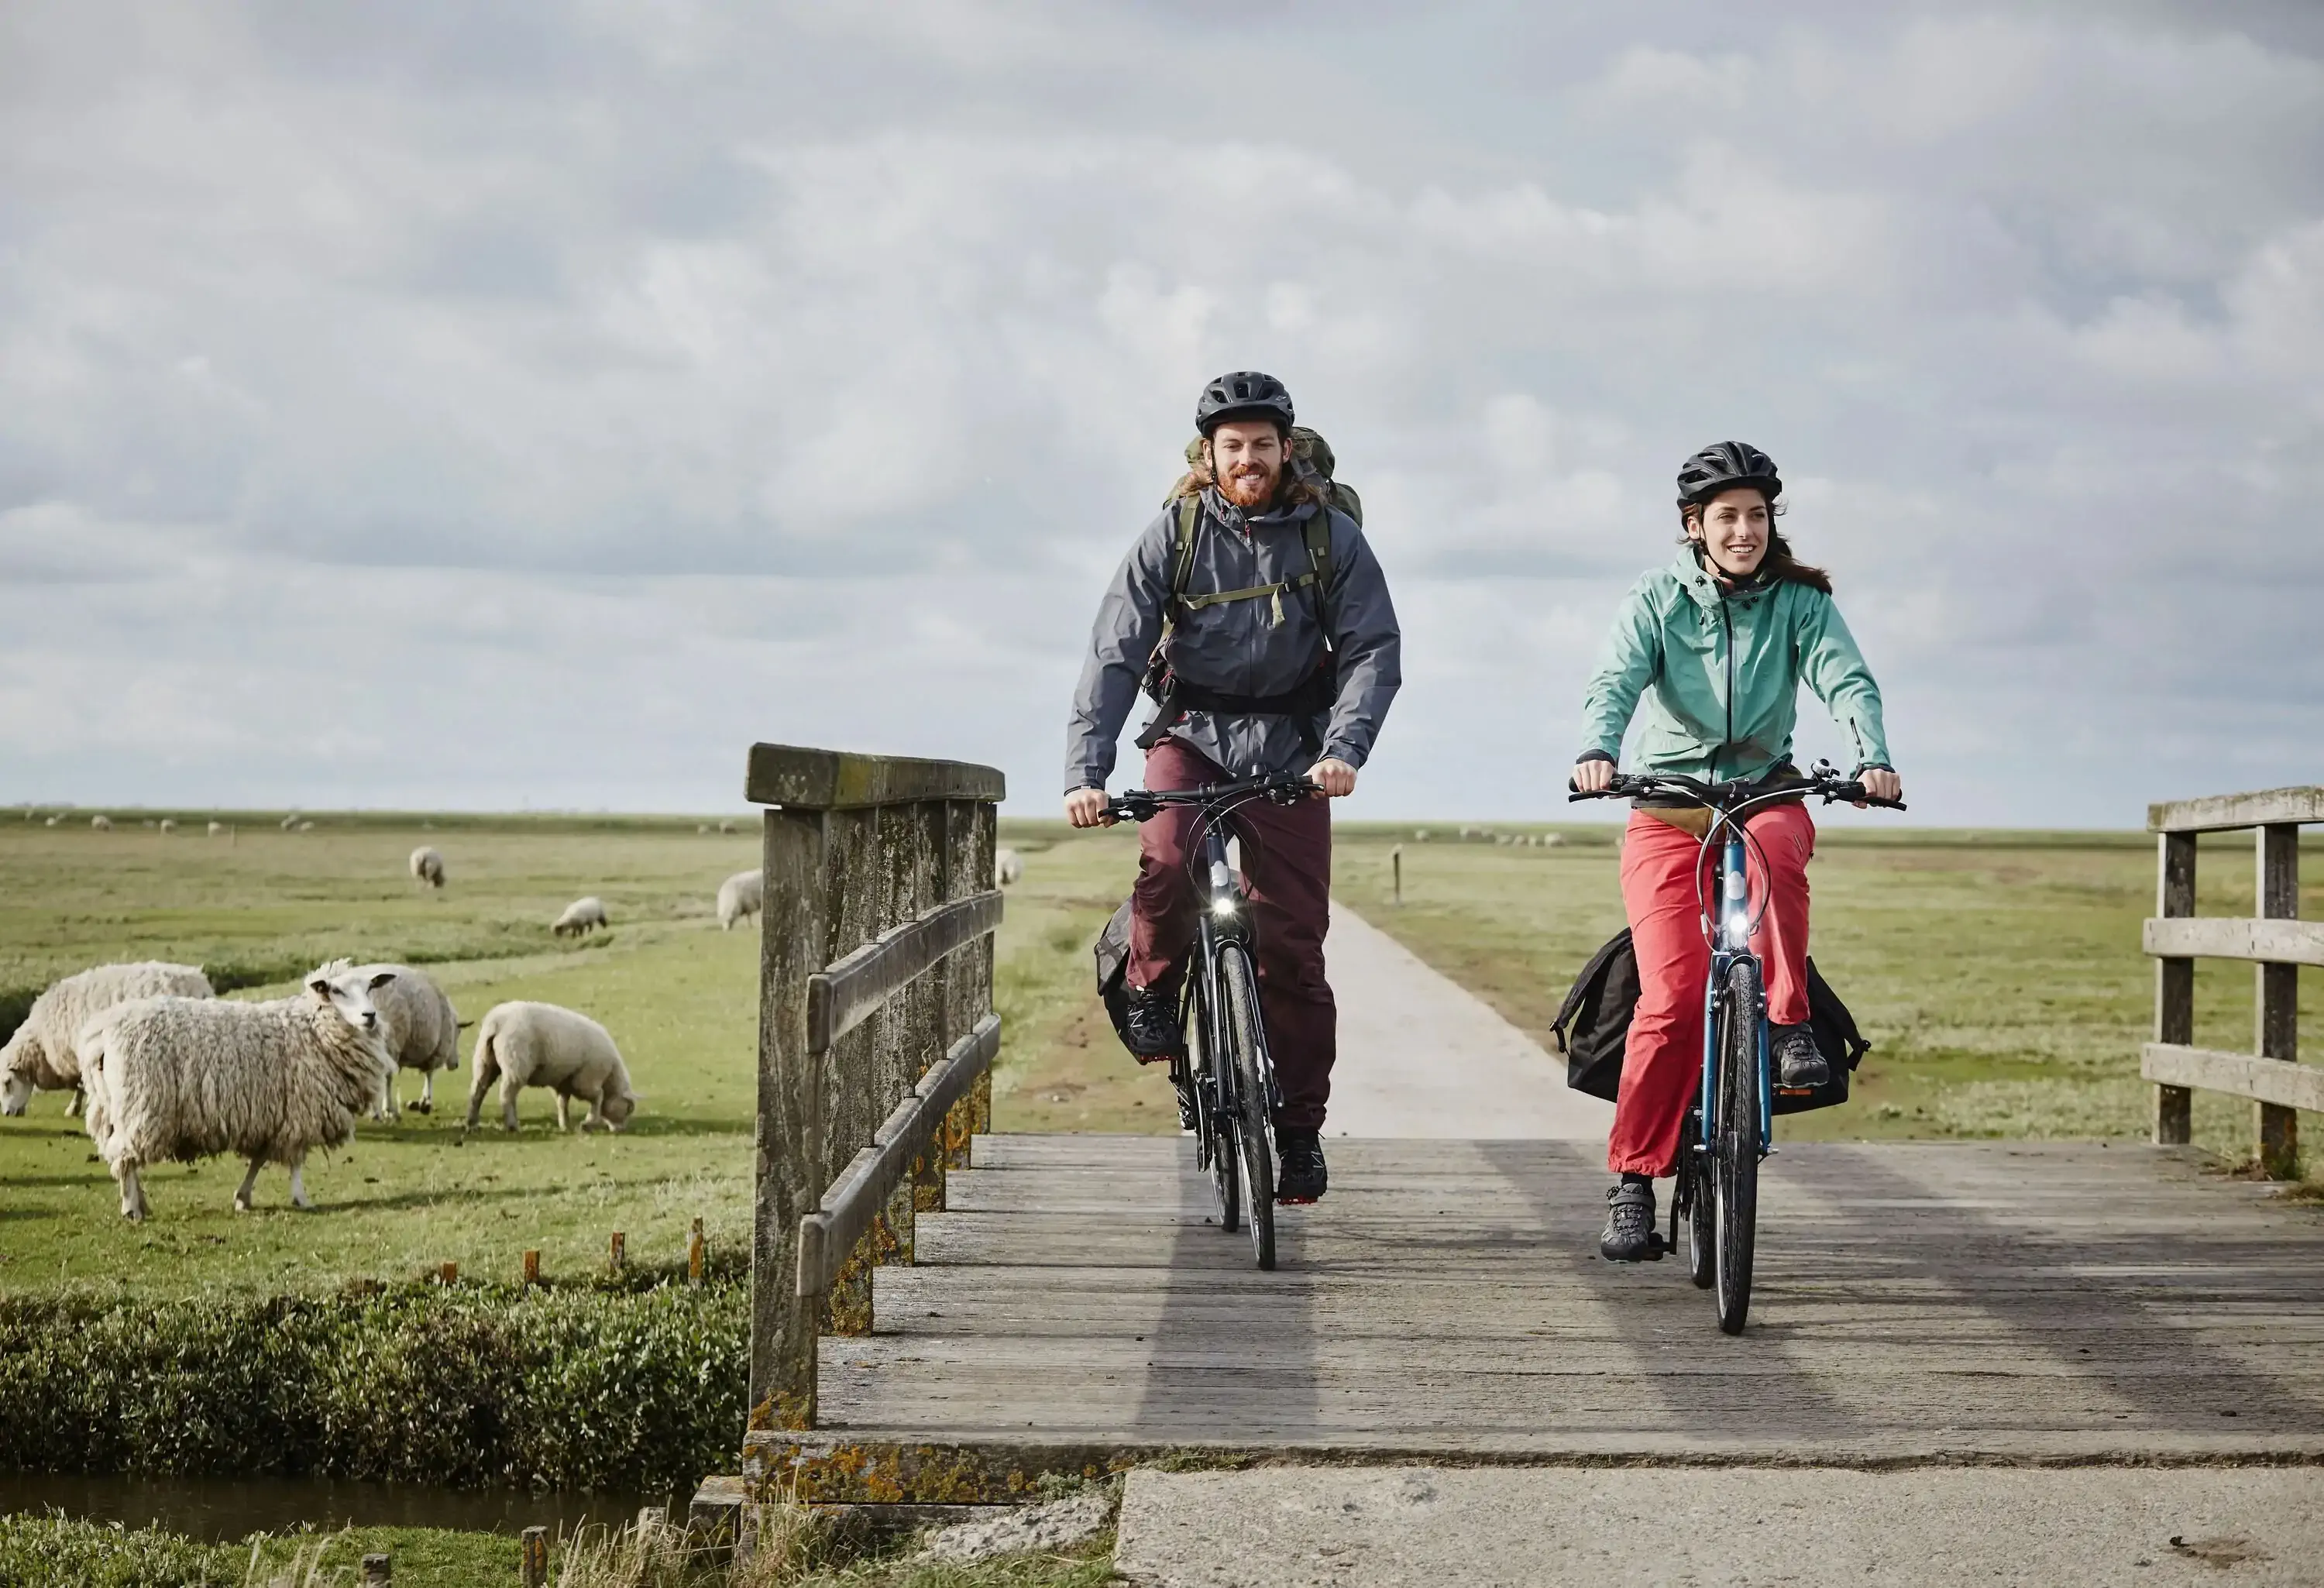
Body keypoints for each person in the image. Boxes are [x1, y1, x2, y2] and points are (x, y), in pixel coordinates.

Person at [1064, 371, 1401, 1204]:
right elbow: (1115, 649)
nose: (1248, 458)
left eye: (1262, 444)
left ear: (1287, 449)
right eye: (1232, 446)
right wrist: (1087, 772)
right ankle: (1150, 977)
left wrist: (1343, 749)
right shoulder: (1174, 532)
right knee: (1168, 858)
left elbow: (1372, 651)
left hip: (1294, 751)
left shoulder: (1330, 537)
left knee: (1294, 947)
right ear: (1208, 455)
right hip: (1191, 735)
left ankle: (1298, 1132)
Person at [1573, 441, 1902, 1261]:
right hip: (1667, 808)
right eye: (1727, 518)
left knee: (1783, 847)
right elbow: (1614, 681)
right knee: (1672, 1001)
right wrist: (1597, 748)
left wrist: (1873, 756)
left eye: (1757, 516)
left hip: (1763, 792)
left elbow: (1847, 679)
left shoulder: (1800, 602)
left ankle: (1788, 1023)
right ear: (1695, 527)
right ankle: (1633, 1180)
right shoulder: (1655, 598)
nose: (1744, 530)